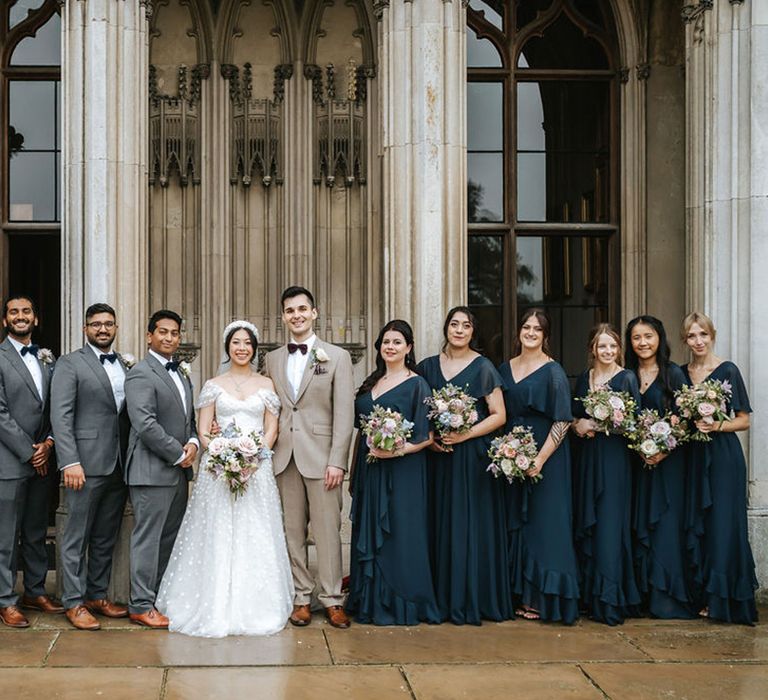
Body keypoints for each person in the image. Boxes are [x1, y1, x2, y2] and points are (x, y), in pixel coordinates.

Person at [157, 321, 293, 636]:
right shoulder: (214, 384)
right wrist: (220, 452)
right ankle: (211, 602)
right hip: (218, 471)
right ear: (227, 347)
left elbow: (271, 429)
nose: (242, 348)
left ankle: (256, 605)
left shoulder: (267, 385)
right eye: (236, 342)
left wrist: (254, 457)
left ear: (254, 348)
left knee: (254, 531)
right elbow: (204, 429)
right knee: (215, 532)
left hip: (256, 469)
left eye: (247, 343)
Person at [264, 287, 355, 629]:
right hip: (284, 456)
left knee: (328, 530)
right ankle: (301, 597)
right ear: (284, 317)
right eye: (290, 310)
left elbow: (344, 414)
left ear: (315, 313)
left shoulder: (337, 356)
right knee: (291, 531)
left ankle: (332, 599)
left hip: (322, 459)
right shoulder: (272, 359)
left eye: (302, 309)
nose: (297, 315)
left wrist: (338, 460)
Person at [418, 306, 511, 624]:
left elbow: (499, 415)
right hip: (437, 459)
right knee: (439, 522)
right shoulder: (427, 367)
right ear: (446, 328)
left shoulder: (483, 366)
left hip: (472, 459)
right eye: (454, 324)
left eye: (466, 325)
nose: (459, 330)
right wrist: (431, 440)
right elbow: (415, 412)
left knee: (468, 526)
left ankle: (469, 598)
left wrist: (465, 435)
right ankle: (439, 599)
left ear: (473, 332)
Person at [345, 320, 439, 625]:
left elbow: (426, 436)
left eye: (397, 342)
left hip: (403, 472)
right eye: (386, 342)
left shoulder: (418, 385)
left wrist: (395, 450)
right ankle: (368, 601)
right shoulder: (371, 383)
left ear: (409, 348)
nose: (390, 347)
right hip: (370, 469)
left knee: (401, 533)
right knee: (368, 530)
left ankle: (401, 603)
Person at [50, 303, 131, 630]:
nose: (102, 329)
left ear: (115, 328)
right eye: (96, 324)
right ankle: (72, 601)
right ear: (85, 329)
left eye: (108, 324)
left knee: (104, 536)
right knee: (75, 536)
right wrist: (69, 460)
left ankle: (97, 595)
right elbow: (62, 416)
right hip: (83, 465)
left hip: (118, 464)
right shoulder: (70, 364)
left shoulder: (125, 365)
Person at [498, 309, 579, 624]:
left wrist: (540, 459)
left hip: (547, 458)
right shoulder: (505, 369)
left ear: (545, 335)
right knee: (519, 523)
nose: (530, 332)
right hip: (512, 456)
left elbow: (562, 420)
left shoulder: (553, 371)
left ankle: (547, 600)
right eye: (526, 326)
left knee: (546, 526)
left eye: (537, 328)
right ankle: (522, 595)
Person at [681, 312, 758, 624]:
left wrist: (717, 425)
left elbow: (745, 419)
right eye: (692, 336)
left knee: (724, 526)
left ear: (712, 335)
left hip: (724, 457)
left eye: (703, 335)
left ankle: (723, 599)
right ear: (685, 340)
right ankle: (701, 595)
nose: (698, 341)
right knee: (699, 524)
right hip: (693, 456)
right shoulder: (681, 374)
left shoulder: (727, 370)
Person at [124, 309, 199, 628]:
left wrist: (194, 443)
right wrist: (177, 453)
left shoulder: (181, 373)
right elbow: (144, 423)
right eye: (163, 332)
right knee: (148, 539)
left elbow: (189, 420)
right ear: (149, 336)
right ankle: (140, 604)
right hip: (151, 471)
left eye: (174, 333)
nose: (169, 338)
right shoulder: (140, 373)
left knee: (169, 538)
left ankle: (156, 597)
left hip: (178, 472)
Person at [624, 315, 696, 619]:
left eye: (648, 336)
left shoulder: (674, 374)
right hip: (635, 464)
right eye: (637, 337)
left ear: (660, 339)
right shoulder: (625, 375)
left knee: (665, 526)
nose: (642, 343)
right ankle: (640, 596)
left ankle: (667, 600)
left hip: (668, 464)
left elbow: (686, 420)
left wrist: (662, 452)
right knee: (637, 525)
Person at [571, 323, 641, 625]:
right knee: (591, 523)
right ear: (592, 350)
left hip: (614, 461)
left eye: (612, 346)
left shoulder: (626, 378)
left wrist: (596, 425)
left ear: (619, 350)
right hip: (587, 460)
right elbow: (573, 417)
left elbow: (634, 422)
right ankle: (590, 596)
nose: (607, 351)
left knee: (611, 527)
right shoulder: (583, 380)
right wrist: (577, 425)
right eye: (602, 346)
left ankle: (610, 600)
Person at [0, 295, 61, 628]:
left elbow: (55, 407)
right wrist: (30, 450)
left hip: (43, 459)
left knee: (36, 530)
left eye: (26, 312)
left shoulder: (47, 358)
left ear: (35, 319)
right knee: (6, 535)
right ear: (5, 320)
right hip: (9, 460)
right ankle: (5, 599)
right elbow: (0, 414)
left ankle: (35, 590)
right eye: (14, 312)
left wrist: (49, 444)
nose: (20, 316)